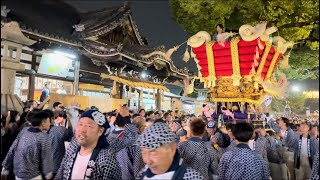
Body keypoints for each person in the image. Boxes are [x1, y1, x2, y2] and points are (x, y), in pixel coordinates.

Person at [55, 109, 121, 180]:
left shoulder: (107, 161)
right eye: (80, 124)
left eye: (88, 126)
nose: (82, 130)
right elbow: (60, 175)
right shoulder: (71, 150)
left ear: (100, 131)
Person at [135, 123, 204, 179]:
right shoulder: (142, 173)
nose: (147, 161)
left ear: (172, 149)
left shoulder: (192, 177)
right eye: (144, 152)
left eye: (153, 152)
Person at [2, 111, 53, 180]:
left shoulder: (24, 130)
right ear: (43, 123)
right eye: (49, 121)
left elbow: (12, 149)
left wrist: (5, 168)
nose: (50, 123)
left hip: (17, 173)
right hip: (33, 175)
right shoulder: (44, 137)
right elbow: (46, 158)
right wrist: (48, 174)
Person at [44, 109, 73, 178]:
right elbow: (72, 138)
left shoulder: (29, 132)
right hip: (56, 167)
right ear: (51, 119)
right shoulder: (60, 130)